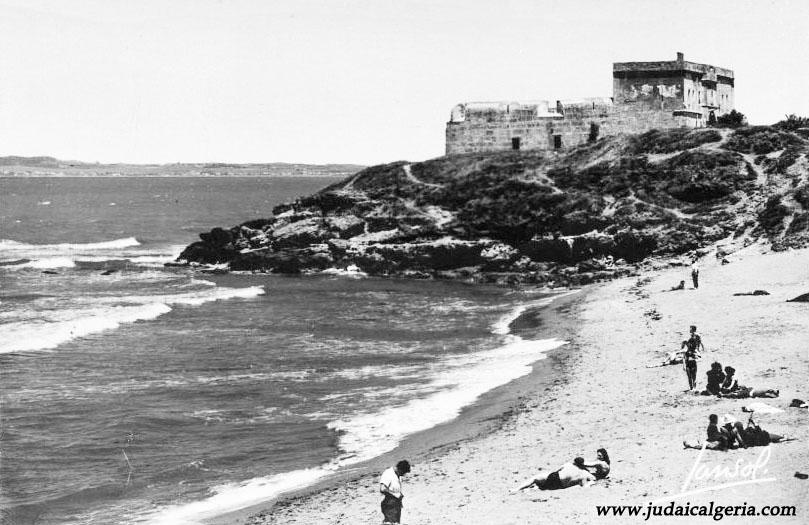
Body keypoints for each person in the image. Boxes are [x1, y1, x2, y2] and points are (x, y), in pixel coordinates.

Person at [516, 460, 595, 491]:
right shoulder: (583, 473)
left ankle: (516, 489)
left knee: (535, 479)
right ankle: (532, 488)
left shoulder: (568, 464)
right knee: (544, 487)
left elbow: (556, 470)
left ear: (574, 462)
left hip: (554, 476)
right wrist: (591, 482)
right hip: (559, 485)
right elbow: (585, 486)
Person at [681, 325, 704, 390]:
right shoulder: (688, 352)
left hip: (692, 363)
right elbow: (684, 358)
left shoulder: (695, 336)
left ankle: (693, 388)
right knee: (690, 376)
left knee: (693, 376)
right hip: (689, 363)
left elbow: (699, 342)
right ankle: (692, 388)